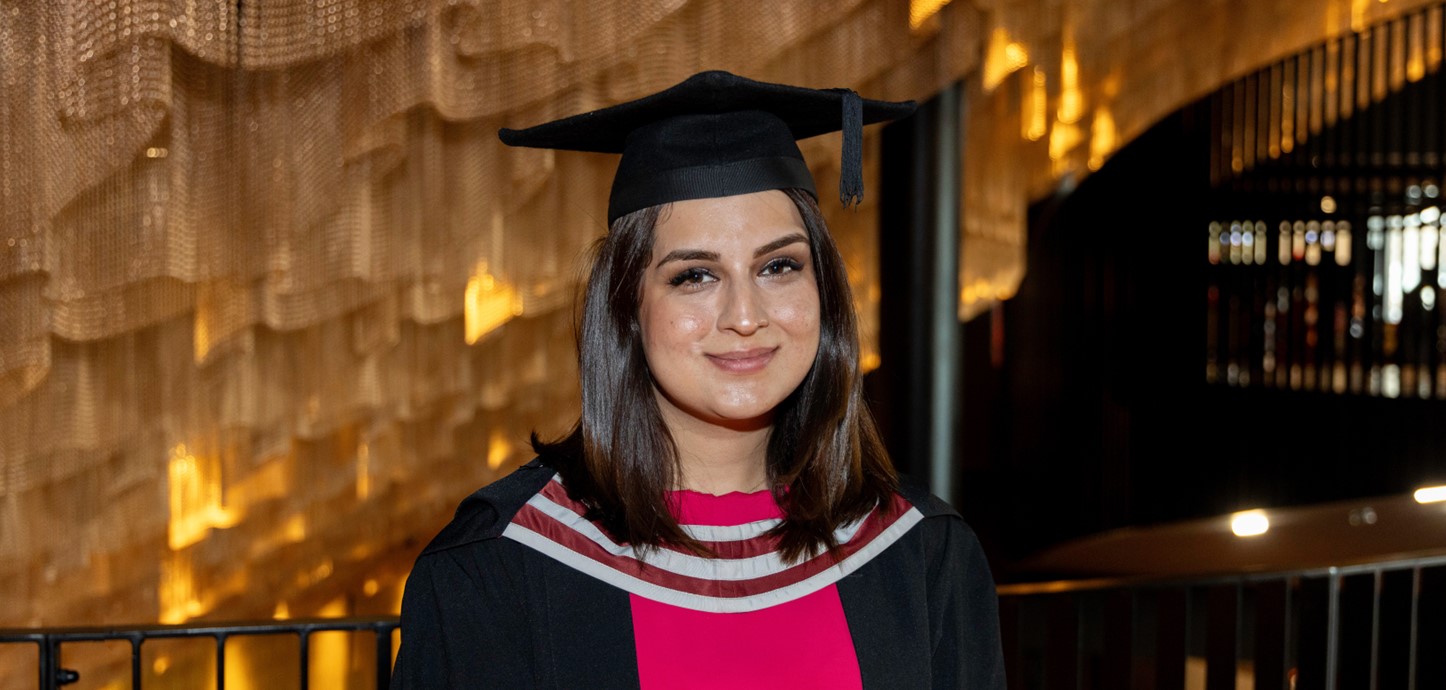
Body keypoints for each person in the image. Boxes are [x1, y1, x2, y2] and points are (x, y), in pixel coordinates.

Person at [390, 70, 1006, 689]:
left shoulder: (922, 555)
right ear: (627, 306)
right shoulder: (498, 568)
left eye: (779, 266)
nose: (745, 316)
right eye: (695, 276)